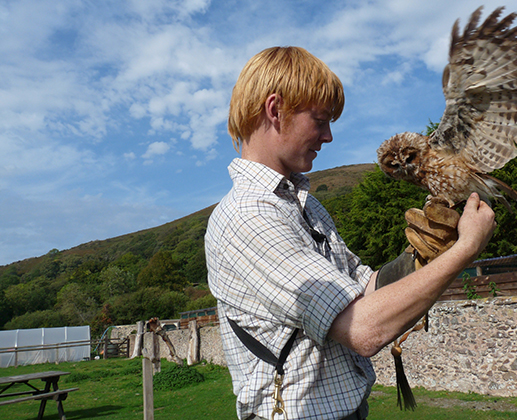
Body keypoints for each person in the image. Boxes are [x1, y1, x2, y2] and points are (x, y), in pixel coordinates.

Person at [205, 46, 496, 420]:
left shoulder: (305, 206)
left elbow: (366, 287)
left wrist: (420, 259)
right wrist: (465, 250)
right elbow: (363, 329)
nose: (328, 137)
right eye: (320, 119)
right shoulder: (248, 216)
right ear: (275, 110)